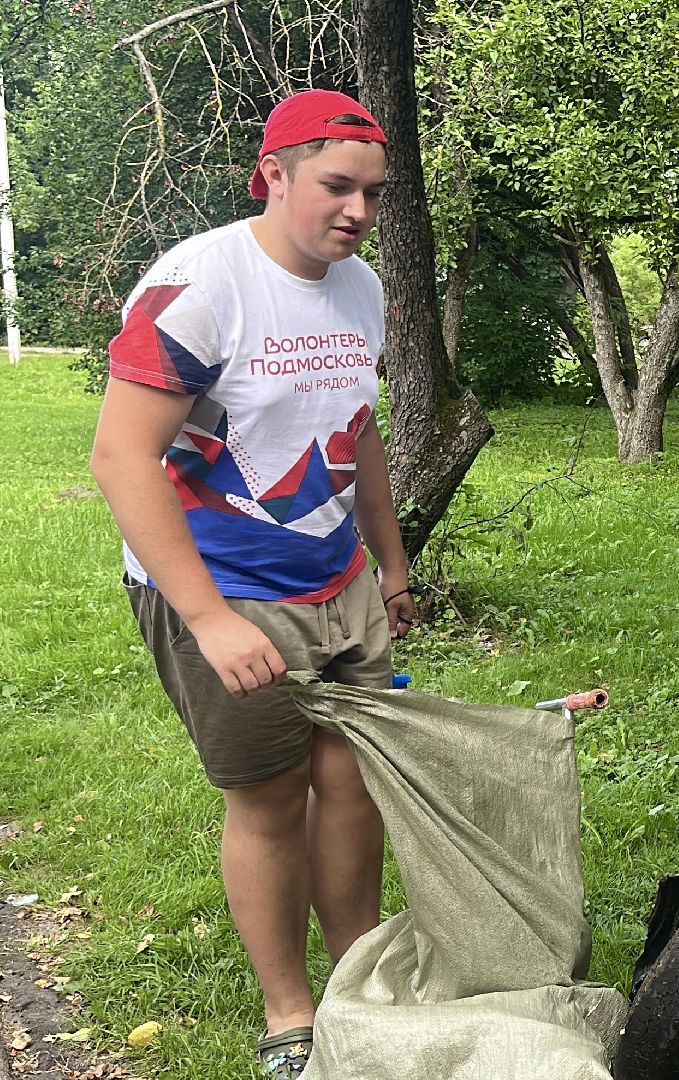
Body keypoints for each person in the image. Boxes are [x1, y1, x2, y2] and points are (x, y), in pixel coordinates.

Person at [88, 89, 411, 1080]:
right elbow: (119, 456)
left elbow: (357, 435)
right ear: (270, 176)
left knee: (350, 781)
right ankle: (291, 1014)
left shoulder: (359, 289)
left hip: (338, 581)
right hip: (221, 588)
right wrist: (209, 620)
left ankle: (358, 980)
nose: (356, 211)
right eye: (335, 187)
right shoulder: (201, 286)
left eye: (371, 193)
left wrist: (389, 563)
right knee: (270, 800)